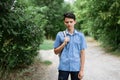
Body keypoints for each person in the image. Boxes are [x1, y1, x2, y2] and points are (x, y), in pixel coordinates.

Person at [54, 12, 87, 80]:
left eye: (71, 22)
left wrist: (82, 70)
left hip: (76, 67)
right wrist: (64, 43)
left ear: (75, 22)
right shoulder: (60, 35)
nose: (69, 24)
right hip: (63, 67)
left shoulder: (80, 36)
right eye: (67, 22)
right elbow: (55, 52)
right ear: (64, 22)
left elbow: (82, 53)